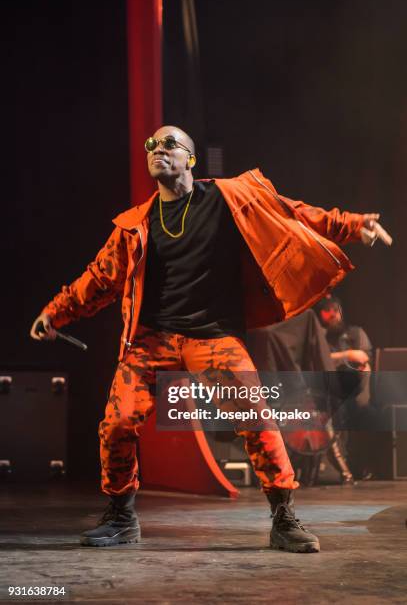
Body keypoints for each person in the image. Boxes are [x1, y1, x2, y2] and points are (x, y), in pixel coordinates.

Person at [30, 125, 382, 553]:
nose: (158, 150)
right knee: (118, 422)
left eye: (169, 144)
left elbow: (296, 213)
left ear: (190, 160)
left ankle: (283, 517)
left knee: (255, 416)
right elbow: (98, 279)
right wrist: (55, 312)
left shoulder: (230, 199)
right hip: (151, 339)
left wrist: (352, 224)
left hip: (212, 337)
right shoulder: (136, 225)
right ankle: (122, 517)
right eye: (151, 146)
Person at [315, 294, 376, 479]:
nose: (332, 314)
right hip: (329, 391)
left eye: (335, 309)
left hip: (355, 390)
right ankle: (341, 470)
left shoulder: (355, 332)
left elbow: (363, 357)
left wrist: (339, 357)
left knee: (362, 411)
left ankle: (360, 467)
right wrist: (348, 355)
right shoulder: (318, 337)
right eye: (327, 310)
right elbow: (317, 361)